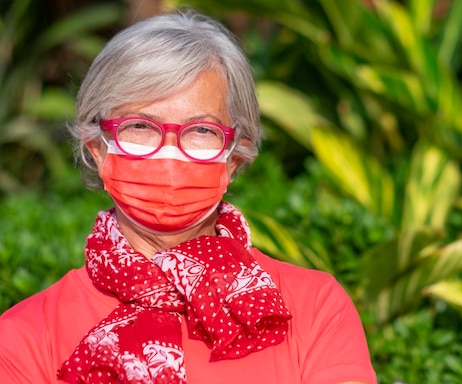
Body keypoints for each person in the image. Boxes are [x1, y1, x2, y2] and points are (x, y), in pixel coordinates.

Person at [0, 9, 377, 384]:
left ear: (235, 155)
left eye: (200, 131)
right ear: (98, 148)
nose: (169, 153)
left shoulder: (314, 309)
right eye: (139, 126)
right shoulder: (26, 337)